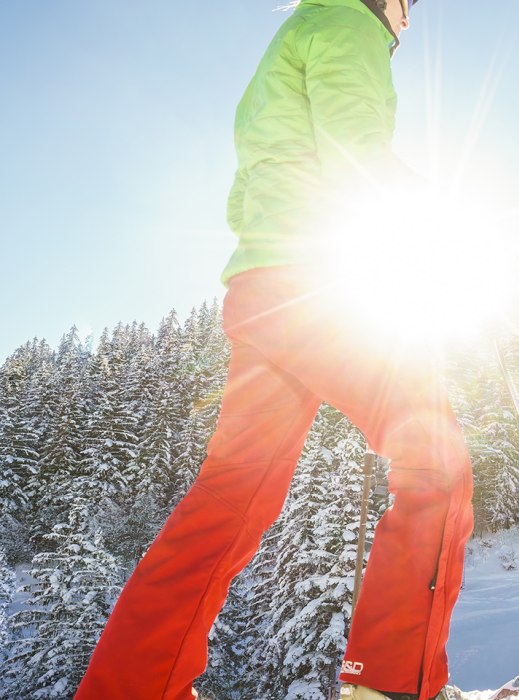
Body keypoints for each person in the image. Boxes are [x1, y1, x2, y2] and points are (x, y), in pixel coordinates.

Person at [73, 1, 474, 699]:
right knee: (436, 462)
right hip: (319, 292)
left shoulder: (297, 32)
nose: (412, 19)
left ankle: (132, 686)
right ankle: (390, 684)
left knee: (230, 501)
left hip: (264, 292)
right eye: (412, 2)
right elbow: (356, 153)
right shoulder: (350, 27)